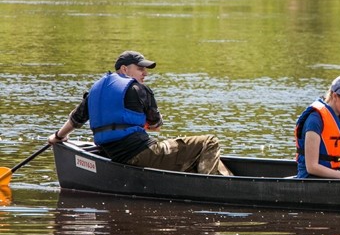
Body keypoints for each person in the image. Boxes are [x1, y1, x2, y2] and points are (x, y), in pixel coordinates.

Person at [48, 50, 232, 175]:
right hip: (142, 154)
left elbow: (76, 119)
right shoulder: (139, 90)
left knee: (194, 155)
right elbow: (155, 124)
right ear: (124, 69)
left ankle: (219, 177)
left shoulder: (96, 91)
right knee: (210, 142)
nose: (145, 73)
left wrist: (57, 137)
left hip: (116, 155)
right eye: (140, 69)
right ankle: (212, 186)